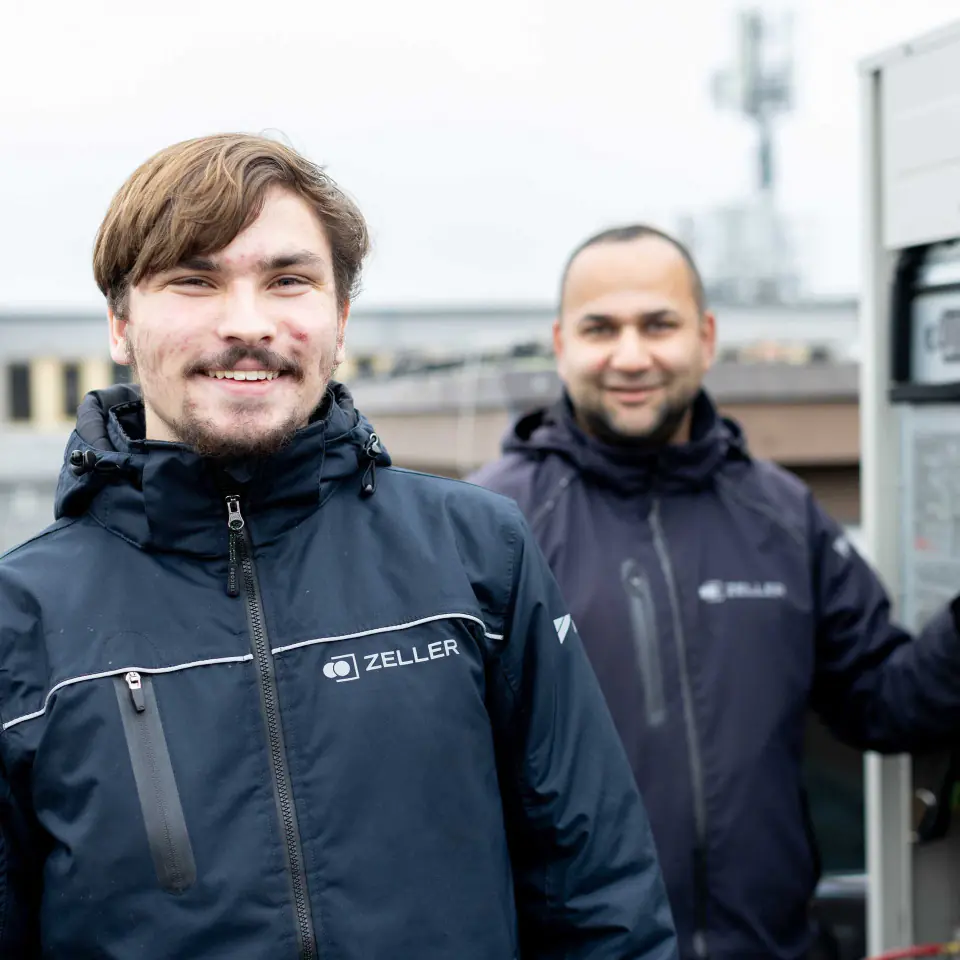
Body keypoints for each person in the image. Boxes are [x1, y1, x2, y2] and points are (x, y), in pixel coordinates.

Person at [0, 138, 679, 960]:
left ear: (341, 317)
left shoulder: (478, 554)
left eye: (288, 280)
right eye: (194, 279)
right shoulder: (21, 617)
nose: (246, 323)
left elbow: (601, 899)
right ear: (120, 322)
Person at [470, 224, 960, 960]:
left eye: (658, 325)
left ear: (705, 336)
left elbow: (886, 702)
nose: (631, 355)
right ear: (561, 341)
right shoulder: (492, 528)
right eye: (601, 327)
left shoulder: (783, 516)